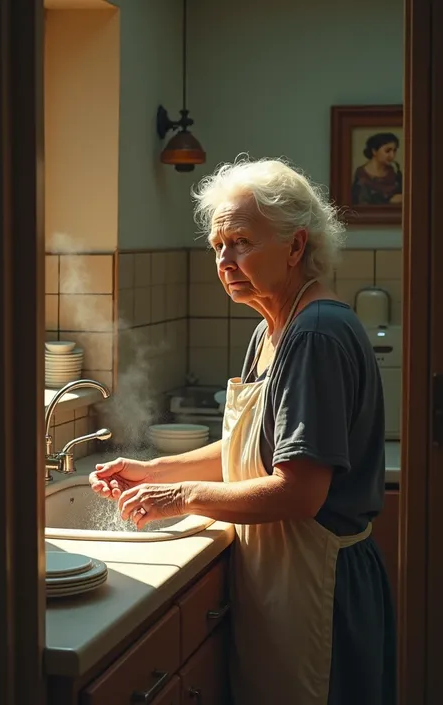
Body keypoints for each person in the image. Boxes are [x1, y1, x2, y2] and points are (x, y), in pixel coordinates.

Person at [89, 157, 396, 705]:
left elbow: (300, 491)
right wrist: (153, 470)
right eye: (217, 246)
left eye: (241, 243)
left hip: (319, 589)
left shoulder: (316, 336)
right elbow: (249, 451)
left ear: (297, 247)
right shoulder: (271, 328)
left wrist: (179, 497)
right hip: (282, 582)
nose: (224, 260)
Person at [351, 132, 403, 205]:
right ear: (374, 151)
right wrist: (389, 202)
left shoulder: (395, 172)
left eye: (394, 151)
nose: (392, 155)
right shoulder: (361, 176)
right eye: (387, 151)